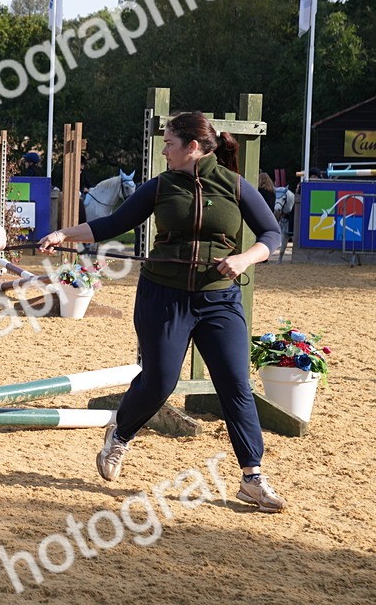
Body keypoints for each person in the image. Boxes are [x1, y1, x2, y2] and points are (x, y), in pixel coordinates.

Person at [38, 111, 287, 513]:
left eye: (170, 143)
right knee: (159, 381)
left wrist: (244, 258)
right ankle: (121, 434)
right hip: (164, 296)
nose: (165, 151)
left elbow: (271, 234)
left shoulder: (235, 185)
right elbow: (113, 223)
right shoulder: (160, 186)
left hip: (219, 299)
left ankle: (252, 478)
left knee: (235, 385)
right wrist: (63, 233)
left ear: (193, 147)